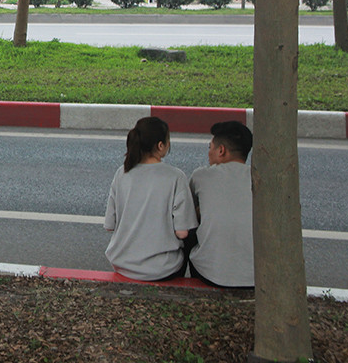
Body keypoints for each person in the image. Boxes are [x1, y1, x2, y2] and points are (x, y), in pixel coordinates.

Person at [104, 116, 197, 281]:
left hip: (123, 264)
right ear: (160, 145)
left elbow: (110, 225)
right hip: (163, 269)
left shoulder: (122, 173)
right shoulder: (175, 176)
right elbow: (182, 233)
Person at [187, 120, 255, 288]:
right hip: (257, 277)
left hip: (209, 275)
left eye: (210, 147)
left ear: (221, 150)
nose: (209, 153)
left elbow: (188, 215)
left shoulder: (201, 176)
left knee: (185, 225)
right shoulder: (260, 178)